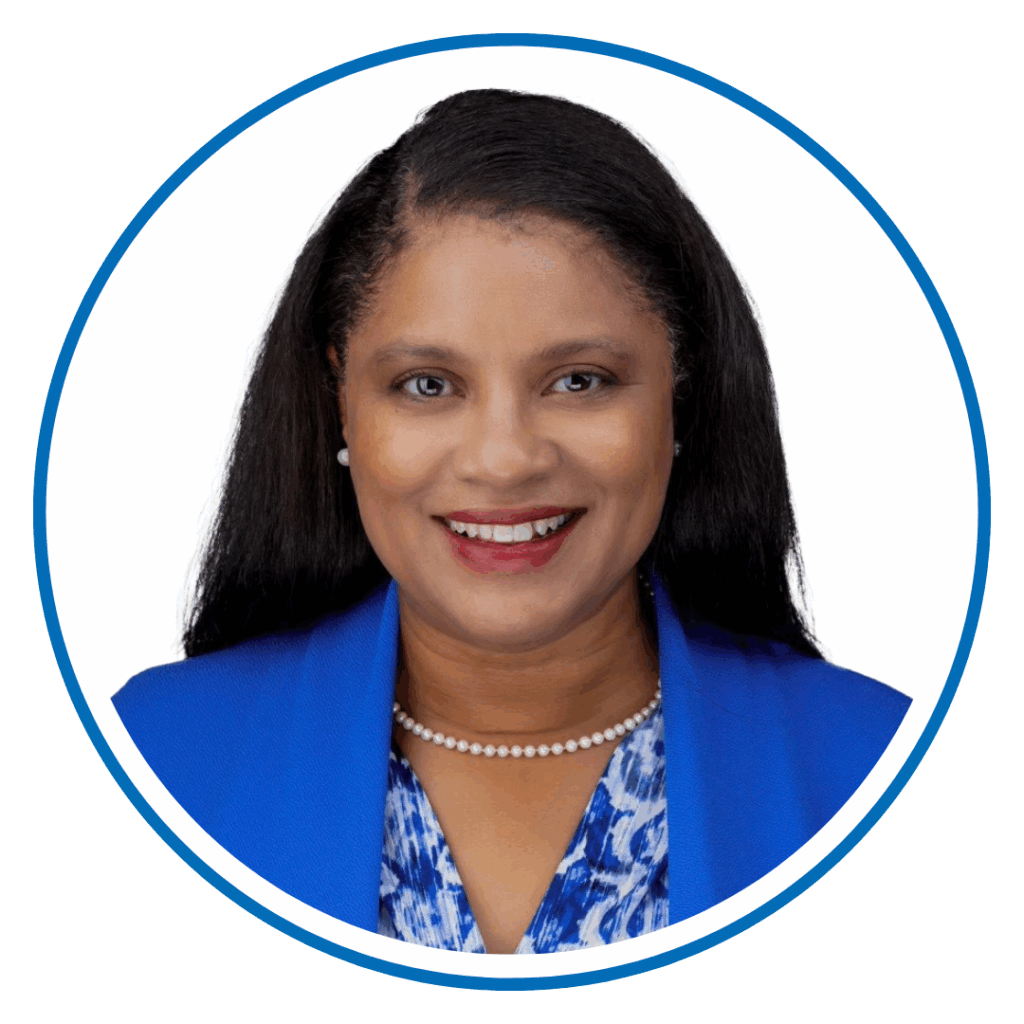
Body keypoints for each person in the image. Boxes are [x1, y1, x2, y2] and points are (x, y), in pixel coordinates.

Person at [113, 89, 911, 955]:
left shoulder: (891, 773)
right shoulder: (144, 763)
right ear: (339, 403)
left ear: (681, 397)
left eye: (580, 381)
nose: (503, 459)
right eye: (427, 385)